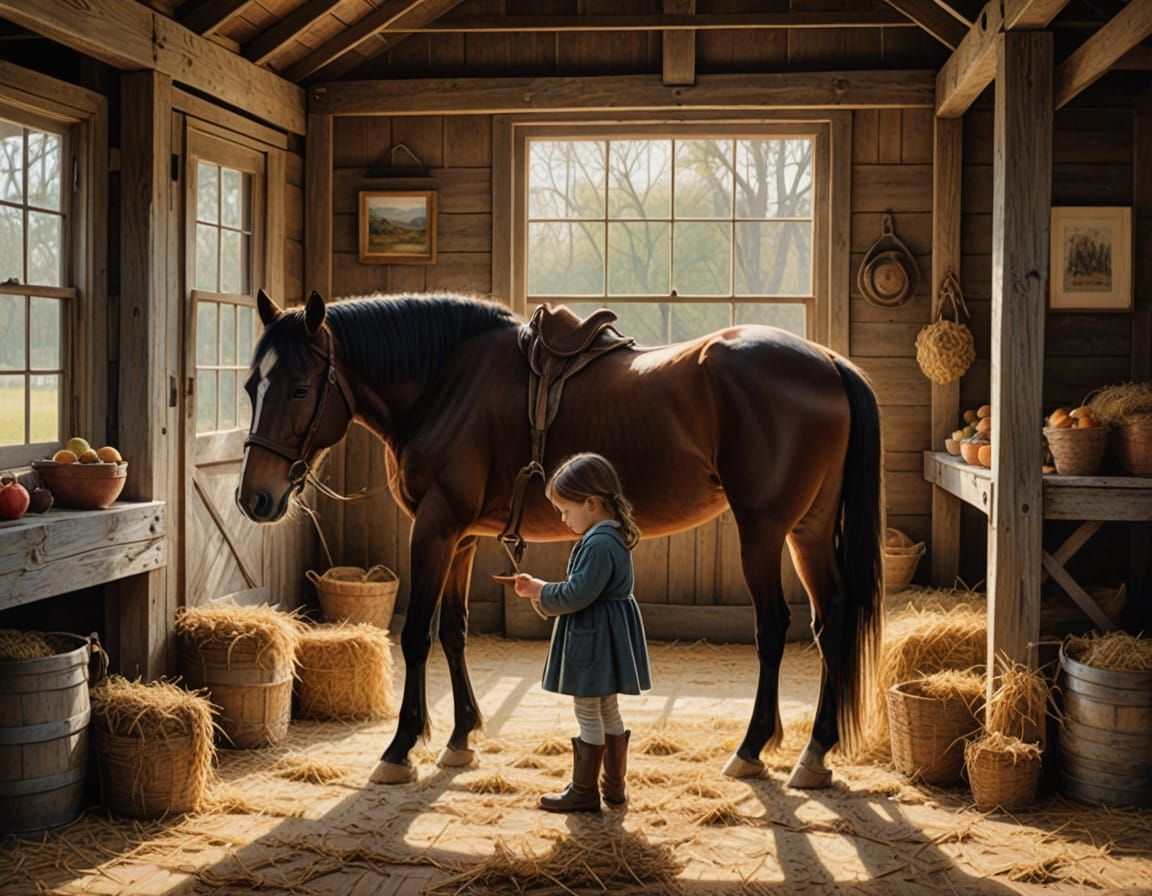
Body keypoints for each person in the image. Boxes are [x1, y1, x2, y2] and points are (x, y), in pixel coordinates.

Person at [510, 452, 652, 813]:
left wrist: (540, 590)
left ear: (591, 503)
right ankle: (613, 787)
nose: (563, 518)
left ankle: (585, 791)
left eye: (565, 510)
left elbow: (577, 594)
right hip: (605, 634)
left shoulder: (599, 543)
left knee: (588, 709)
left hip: (594, 638)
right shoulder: (609, 536)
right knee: (607, 708)